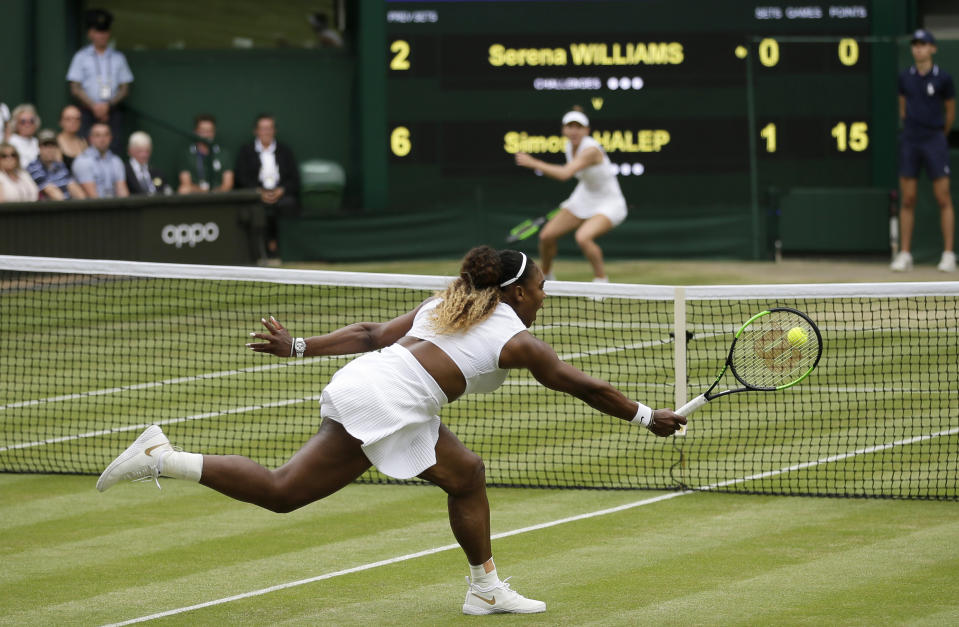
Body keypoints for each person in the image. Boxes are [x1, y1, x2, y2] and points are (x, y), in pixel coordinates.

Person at [95, 245, 687, 616]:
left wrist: (299, 345)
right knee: (282, 493)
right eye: (538, 290)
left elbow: (371, 334)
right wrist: (645, 416)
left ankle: (484, 589)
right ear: (513, 292)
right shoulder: (518, 340)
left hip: (378, 385)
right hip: (386, 400)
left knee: (467, 474)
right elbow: (582, 386)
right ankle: (161, 455)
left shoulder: (447, 304)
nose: (543, 298)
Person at [515, 108, 628, 283]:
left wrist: (533, 163)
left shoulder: (590, 150)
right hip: (584, 196)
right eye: (570, 126)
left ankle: (601, 282)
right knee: (546, 236)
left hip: (610, 202)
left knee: (583, 237)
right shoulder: (569, 146)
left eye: (579, 127)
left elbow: (565, 174)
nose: (574, 131)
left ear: (587, 130)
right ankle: (547, 277)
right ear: (564, 130)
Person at [892, 29, 957, 273]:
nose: (918, 48)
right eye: (915, 45)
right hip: (910, 140)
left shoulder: (944, 78)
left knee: (943, 198)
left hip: (934, 140)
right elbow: (902, 109)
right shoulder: (904, 78)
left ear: (933, 48)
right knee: (907, 199)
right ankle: (905, 253)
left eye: (923, 44)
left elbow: (950, 112)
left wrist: (939, 134)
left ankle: (948, 255)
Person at [66, 8, 134, 154]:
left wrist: (107, 106)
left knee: (114, 149)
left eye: (104, 32)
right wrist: (94, 106)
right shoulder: (81, 57)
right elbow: (75, 87)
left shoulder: (118, 58)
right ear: (90, 33)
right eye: (98, 31)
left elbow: (125, 88)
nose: (102, 36)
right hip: (87, 112)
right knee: (85, 149)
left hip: (112, 112)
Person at [235, 113, 300, 261]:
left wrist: (281, 190)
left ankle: (281, 251)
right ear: (256, 131)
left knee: (288, 205)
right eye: (263, 128)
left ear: (274, 131)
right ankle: (260, 252)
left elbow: (294, 179)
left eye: (269, 128)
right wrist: (259, 192)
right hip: (257, 196)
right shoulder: (246, 151)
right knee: (256, 210)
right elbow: (241, 178)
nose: (266, 132)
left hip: (281, 196)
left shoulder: (285, 151)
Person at [177, 114, 234, 194]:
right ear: (195, 132)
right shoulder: (186, 154)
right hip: (195, 196)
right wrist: (205, 193)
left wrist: (213, 193)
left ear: (214, 132)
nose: (206, 135)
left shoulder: (224, 154)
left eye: (209, 131)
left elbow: (228, 184)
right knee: (183, 190)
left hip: (219, 196)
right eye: (202, 131)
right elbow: (186, 183)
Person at [72, 122, 129, 198]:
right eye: (97, 135)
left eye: (106, 135)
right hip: (93, 208)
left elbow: (122, 192)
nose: (102, 139)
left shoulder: (116, 161)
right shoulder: (82, 161)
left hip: (115, 207)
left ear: (111, 138)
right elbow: (93, 197)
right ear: (90, 139)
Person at [27, 129, 86, 200]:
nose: (49, 149)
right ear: (39, 147)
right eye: (46, 146)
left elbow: (73, 187)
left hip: (67, 206)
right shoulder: (33, 167)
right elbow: (52, 192)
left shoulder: (59, 165)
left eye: (52, 145)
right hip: (51, 208)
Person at [124, 131, 168, 195]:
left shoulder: (157, 172)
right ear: (130, 151)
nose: (144, 155)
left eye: (147, 151)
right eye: (140, 151)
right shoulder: (124, 171)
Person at [6, 104, 41, 169]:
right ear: (15, 124)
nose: (27, 125)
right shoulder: (11, 142)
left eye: (31, 121)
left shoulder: (37, 142)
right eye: (23, 122)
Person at [57, 104, 89, 170]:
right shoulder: (55, 143)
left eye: (77, 119)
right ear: (61, 122)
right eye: (68, 119)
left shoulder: (83, 142)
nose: (73, 122)